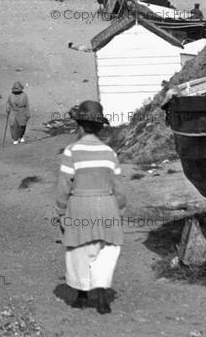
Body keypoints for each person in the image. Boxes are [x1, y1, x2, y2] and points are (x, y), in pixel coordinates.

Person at [54, 100, 126, 314]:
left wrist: (60, 211)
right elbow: (118, 188)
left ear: (80, 125)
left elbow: (64, 185)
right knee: (105, 251)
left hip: (80, 205)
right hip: (106, 205)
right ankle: (102, 297)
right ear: (100, 127)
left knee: (79, 249)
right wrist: (120, 210)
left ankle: (81, 295)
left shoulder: (71, 151)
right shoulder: (109, 152)